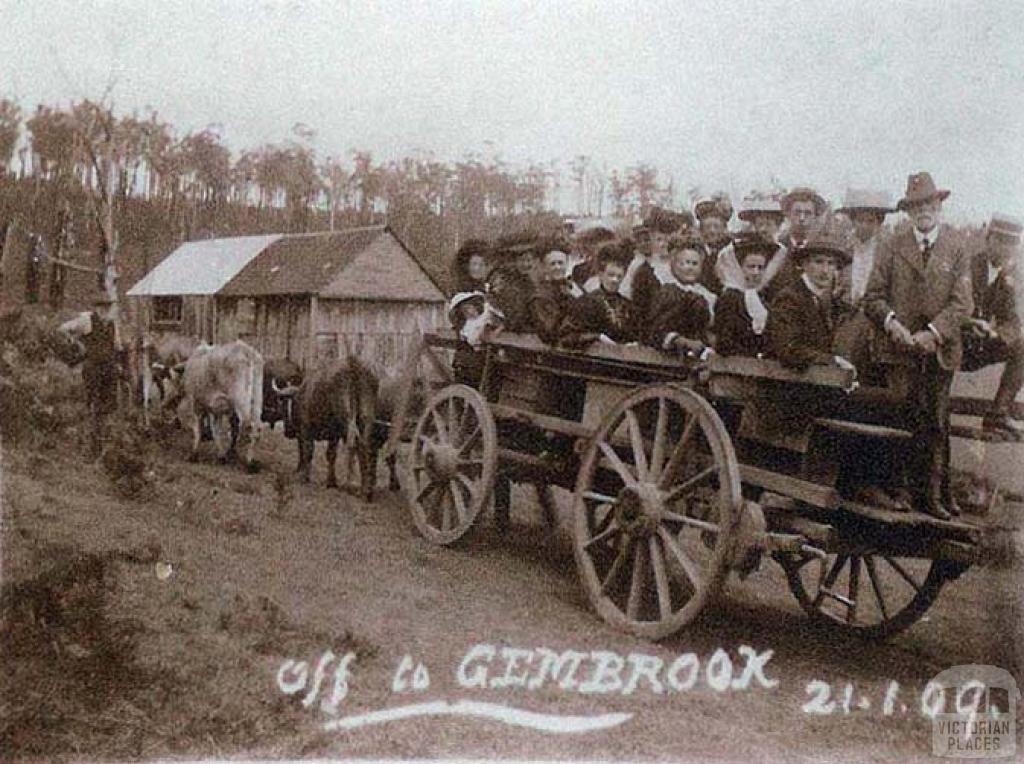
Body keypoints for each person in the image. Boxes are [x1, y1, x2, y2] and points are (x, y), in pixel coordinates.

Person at [864, 172, 973, 520]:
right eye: (916, 206)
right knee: (901, 415)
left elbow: (962, 304)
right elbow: (873, 296)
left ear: (938, 206)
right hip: (898, 350)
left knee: (936, 422)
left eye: (929, 204)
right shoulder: (891, 243)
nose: (923, 211)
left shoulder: (956, 248)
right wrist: (893, 324)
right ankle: (901, 491)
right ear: (908, 211)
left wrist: (933, 333)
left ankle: (934, 494)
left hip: (939, 351)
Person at [961, 212, 1024, 435]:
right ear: (988, 239)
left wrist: (996, 334)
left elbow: (1014, 321)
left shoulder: (1013, 278)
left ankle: (999, 413)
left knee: (1022, 346)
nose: (1005, 248)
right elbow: (946, 308)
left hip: (982, 343)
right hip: (955, 342)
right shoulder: (967, 266)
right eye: (1000, 240)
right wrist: (969, 322)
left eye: (1011, 243)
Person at [767, 227, 855, 374]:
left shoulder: (831, 303)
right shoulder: (789, 298)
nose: (825, 270)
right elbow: (789, 349)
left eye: (831, 263)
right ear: (804, 264)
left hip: (820, 380)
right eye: (819, 262)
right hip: (787, 382)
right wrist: (832, 361)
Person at [60, 292, 121, 457]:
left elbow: (116, 346)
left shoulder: (111, 324)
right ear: (96, 307)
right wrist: (77, 343)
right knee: (91, 404)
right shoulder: (86, 320)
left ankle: (103, 441)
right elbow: (64, 329)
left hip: (108, 369)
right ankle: (89, 444)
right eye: (102, 307)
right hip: (93, 368)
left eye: (107, 307)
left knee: (108, 405)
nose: (105, 310)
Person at [648, 234, 717, 357]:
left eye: (694, 264)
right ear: (674, 265)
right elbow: (656, 328)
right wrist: (679, 340)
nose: (689, 268)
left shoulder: (709, 296)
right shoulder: (666, 290)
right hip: (668, 353)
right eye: (684, 263)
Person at [562, 241, 638, 345]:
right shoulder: (586, 302)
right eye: (610, 275)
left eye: (619, 276)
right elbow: (568, 337)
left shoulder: (627, 305)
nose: (614, 280)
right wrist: (597, 337)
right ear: (601, 274)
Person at [713, 233, 773, 358]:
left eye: (760, 268)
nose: (756, 273)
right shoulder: (730, 298)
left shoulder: (762, 300)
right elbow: (724, 343)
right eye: (751, 267)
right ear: (739, 268)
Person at [717, 191, 789, 294]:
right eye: (760, 224)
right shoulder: (735, 250)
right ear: (753, 225)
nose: (764, 229)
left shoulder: (782, 253)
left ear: (778, 226)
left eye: (769, 224)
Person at [529, 248, 580, 346]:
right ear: (545, 268)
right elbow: (549, 331)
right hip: (556, 349)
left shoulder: (574, 288)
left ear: (567, 264)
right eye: (552, 264)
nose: (557, 267)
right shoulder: (540, 296)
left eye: (561, 263)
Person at [694, 193, 734, 294]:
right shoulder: (696, 250)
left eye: (716, 227)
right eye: (707, 227)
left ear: (725, 229)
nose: (712, 231)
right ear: (700, 230)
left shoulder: (731, 250)